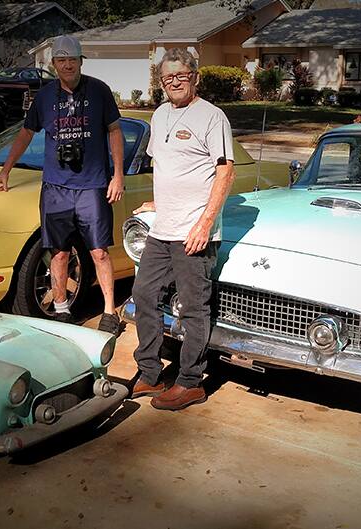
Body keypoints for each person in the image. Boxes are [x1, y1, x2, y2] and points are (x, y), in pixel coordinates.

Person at [0, 35, 124, 334]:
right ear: (53, 64)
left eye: (73, 60)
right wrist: (6, 170)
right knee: (59, 252)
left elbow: (114, 131)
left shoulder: (99, 91)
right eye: (61, 60)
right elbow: (26, 133)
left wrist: (117, 176)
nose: (68, 65)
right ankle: (62, 308)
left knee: (99, 251)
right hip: (55, 187)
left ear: (81, 61)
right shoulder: (45, 96)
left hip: (92, 185)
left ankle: (109, 312)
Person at [130, 48, 236, 411]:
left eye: (181, 75)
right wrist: (159, 204)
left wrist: (205, 223)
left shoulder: (212, 117)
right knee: (143, 293)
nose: (174, 82)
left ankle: (191, 382)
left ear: (195, 77)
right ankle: (150, 372)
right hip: (163, 228)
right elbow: (173, 169)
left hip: (194, 231)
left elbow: (225, 172)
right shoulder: (159, 116)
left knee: (193, 309)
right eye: (167, 78)